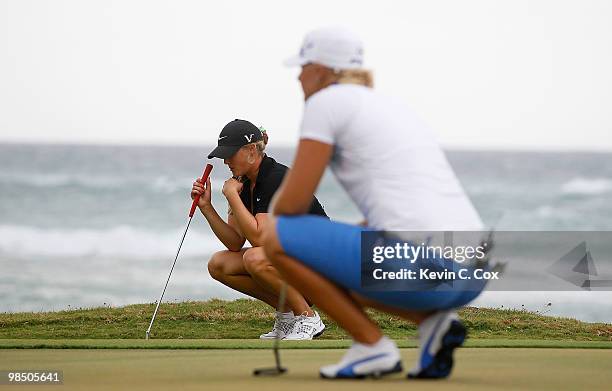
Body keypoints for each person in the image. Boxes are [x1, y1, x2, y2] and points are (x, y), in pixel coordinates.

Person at [263, 27, 487, 379]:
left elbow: (289, 206)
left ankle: (372, 346)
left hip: (426, 265)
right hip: (474, 271)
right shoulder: (388, 104)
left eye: (303, 66)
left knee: (275, 233)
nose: (298, 75)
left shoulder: (325, 102)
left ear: (321, 70)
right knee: (338, 251)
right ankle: (434, 326)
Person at [191, 119, 327, 340]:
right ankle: (289, 314)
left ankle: (308, 318)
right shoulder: (244, 183)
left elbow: (259, 240)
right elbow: (234, 242)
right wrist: (206, 207)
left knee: (255, 258)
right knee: (219, 264)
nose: (226, 161)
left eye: (230, 154)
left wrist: (231, 195)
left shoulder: (274, 177)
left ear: (251, 150)